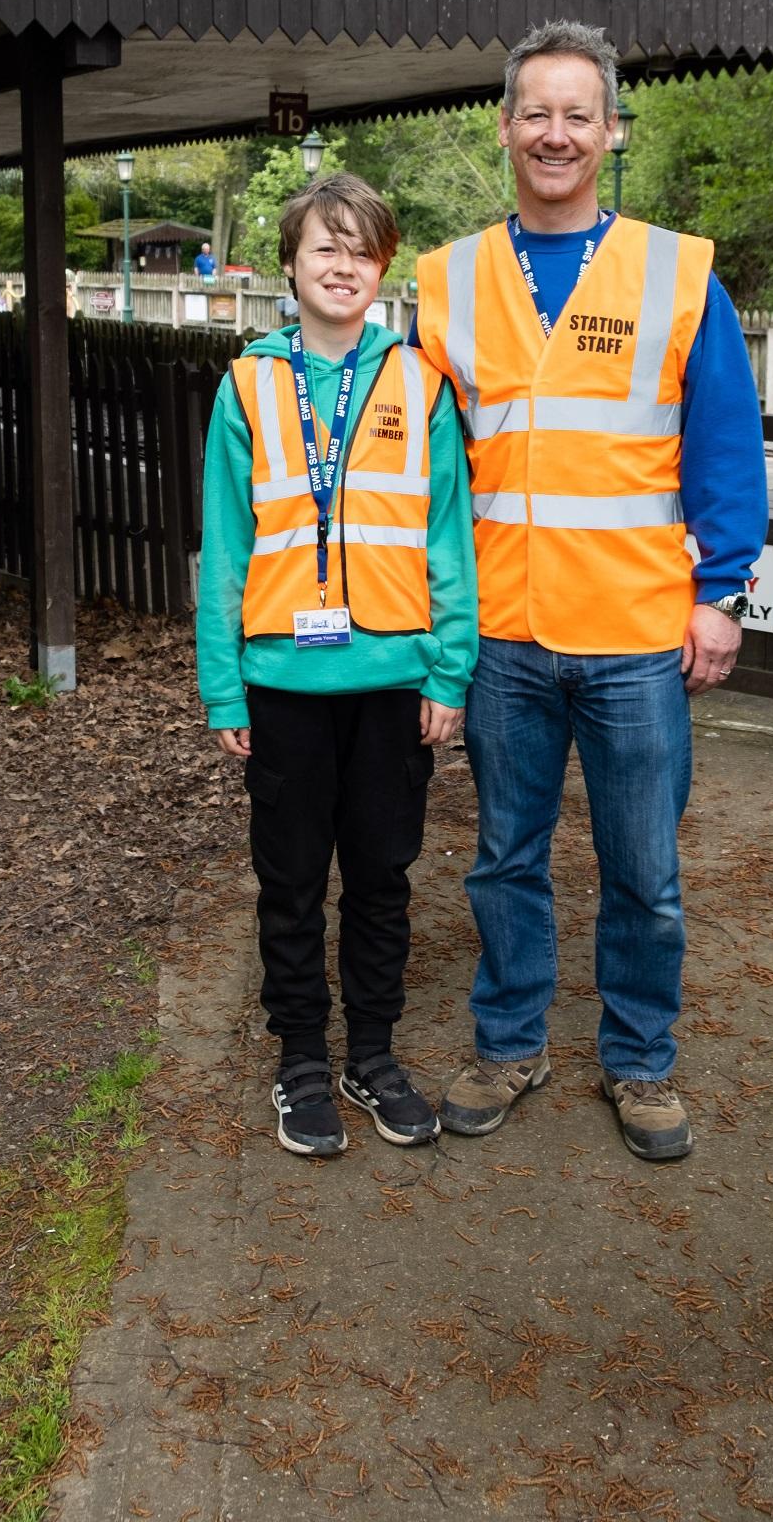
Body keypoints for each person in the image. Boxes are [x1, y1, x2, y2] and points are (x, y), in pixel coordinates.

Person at [413, 19, 768, 1164]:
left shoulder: (678, 272)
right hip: (504, 634)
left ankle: (640, 1062)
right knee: (503, 857)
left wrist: (721, 593)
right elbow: (413, 464)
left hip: (635, 632)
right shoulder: (445, 281)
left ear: (611, 131)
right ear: (505, 127)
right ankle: (508, 1042)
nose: (555, 132)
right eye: (535, 112)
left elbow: (725, 445)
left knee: (645, 873)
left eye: (579, 113)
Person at [197, 174, 478, 1158]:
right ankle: (303, 1063)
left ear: (383, 266)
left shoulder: (422, 385)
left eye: (362, 248)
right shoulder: (246, 386)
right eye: (325, 246)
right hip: (282, 688)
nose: (343, 264)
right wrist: (221, 682)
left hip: (392, 685)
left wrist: (448, 672)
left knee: (382, 877)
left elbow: (450, 543)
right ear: (289, 262)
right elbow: (225, 549)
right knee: (289, 884)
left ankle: (373, 1053)